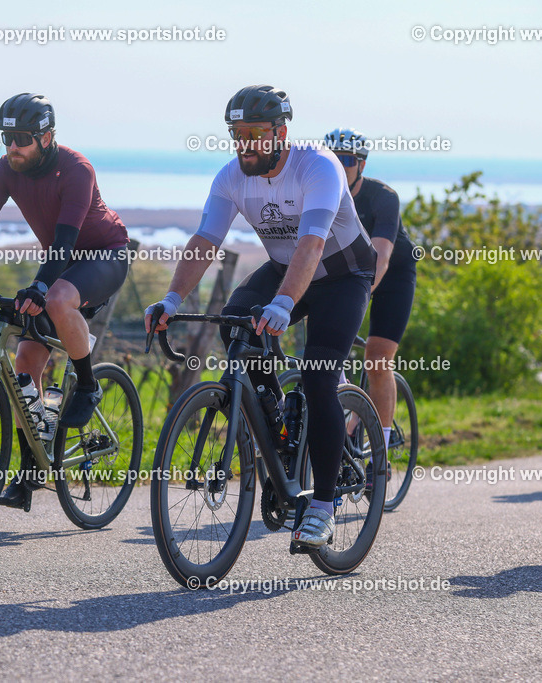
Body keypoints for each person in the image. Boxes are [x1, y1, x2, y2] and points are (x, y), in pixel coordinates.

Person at [144, 85, 376, 547]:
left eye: (254, 133)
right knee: (235, 324)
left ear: (280, 133)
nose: (244, 143)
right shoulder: (231, 176)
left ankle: (323, 506)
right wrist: (171, 299)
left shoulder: (318, 166)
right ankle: (280, 426)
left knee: (318, 378)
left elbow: (312, 243)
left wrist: (284, 304)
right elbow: (205, 241)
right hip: (286, 267)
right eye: (237, 133)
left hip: (342, 274)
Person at [0, 93, 129, 510]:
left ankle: (87, 385)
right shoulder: (5, 169)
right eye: (6, 138)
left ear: (46, 137)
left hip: (103, 256)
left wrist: (39, 286)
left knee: (57, 298)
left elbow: (66, 240)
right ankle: (30, 471)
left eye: (22, 139)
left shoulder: (76, 169)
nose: (12, 147)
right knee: (25, 367)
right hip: (60, 264)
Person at [323, 127, 417, 452]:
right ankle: (350, 408)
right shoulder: (320, 194)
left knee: (377, 359)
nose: (340, 165)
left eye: (347, 160)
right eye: (333, 158)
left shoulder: (383, 197)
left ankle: (381, 453)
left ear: (361, 165)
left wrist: (355, 300)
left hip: (392, 275)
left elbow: (382, 257)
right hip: (349, 271)